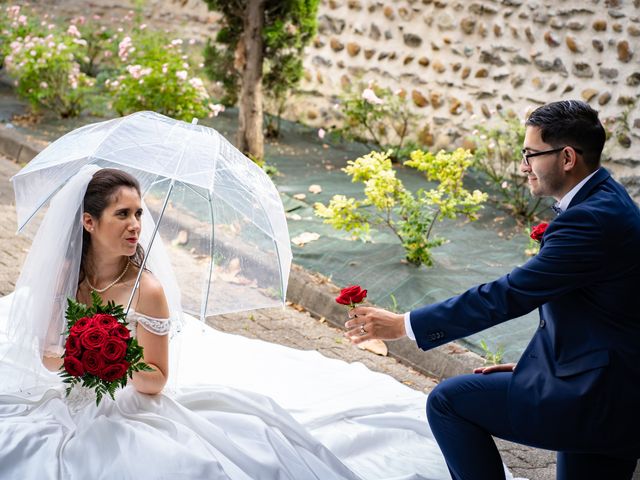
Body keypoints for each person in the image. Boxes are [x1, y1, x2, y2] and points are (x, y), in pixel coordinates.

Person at [0, 165, 479, 479]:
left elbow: (156, 382)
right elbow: (46, 353)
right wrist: (77, 355)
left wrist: (114, 363)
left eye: (139, 214)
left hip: (127, 405)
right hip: (68, 399)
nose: (135, 225)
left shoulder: (148, 289)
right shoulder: (66, 273)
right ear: (88, 222)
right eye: (122, 214)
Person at [346, 100, 640, 480]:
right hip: (614, 391)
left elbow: (507, 295)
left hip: (595, 397)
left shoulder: (590, 219)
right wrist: (536, 366)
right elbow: (607, 312)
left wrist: (404, 324)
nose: (523, 166)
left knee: (449, 402)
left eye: (531, 154)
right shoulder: (606, 199)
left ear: (567, 157)